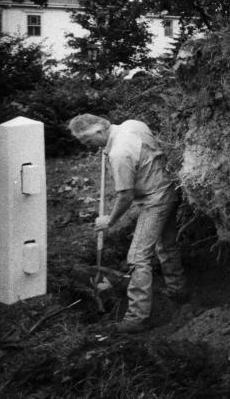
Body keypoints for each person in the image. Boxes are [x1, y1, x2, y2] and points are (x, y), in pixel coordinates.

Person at [68, 114, 186, 333]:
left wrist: (109, 221)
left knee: (137, 257)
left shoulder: (118, 153)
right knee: (165, 244)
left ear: (99, 132)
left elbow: (125, 196)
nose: (88, 147)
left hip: (155, 201)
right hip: (169, 189)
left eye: (88, 142)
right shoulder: (133, 125)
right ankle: (177, 291)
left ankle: (137, 317)